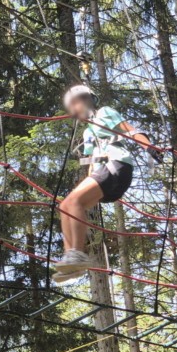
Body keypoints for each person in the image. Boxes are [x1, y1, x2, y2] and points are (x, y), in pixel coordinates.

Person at [53, 84, 158, 283]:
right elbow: (92, 163)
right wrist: (88, 185)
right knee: (66, 205)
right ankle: (72, 260)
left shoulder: (104, 113)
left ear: (85, 101)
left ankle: (76, 254)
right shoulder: (88, 133)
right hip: (106, 173)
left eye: (74, 105)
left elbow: (130, 130)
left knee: (72, 202)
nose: (73, 112)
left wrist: (149, 147)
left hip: (117, 165)